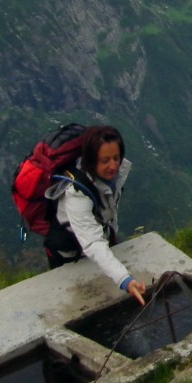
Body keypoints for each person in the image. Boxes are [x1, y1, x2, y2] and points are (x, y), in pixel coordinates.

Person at [44, 124, 147, 304]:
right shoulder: (76, 194)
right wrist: (125, 279)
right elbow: (92, 242)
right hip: (69, 257)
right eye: (105, 160)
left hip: (98, 241)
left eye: (116, 157)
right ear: (91, 160)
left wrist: (113, 241)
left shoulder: (111, 178)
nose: (113, 165)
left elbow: (110, 211)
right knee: (80, 307)